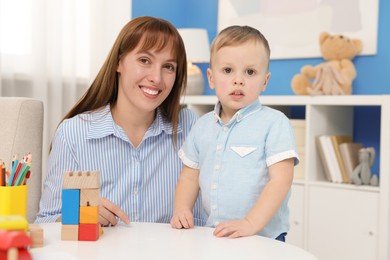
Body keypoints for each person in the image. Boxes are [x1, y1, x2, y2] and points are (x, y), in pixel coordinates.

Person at [35, 16, 205, 227]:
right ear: (118, 63)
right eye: (145, 60)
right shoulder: (73, 134)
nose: (157, 78)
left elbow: (203, 220)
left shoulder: (191, 128)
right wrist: (80, 216)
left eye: (168, 66)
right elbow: (46, 222)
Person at [170, 25, 299, 241]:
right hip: (216, 234)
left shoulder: (274, 123)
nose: (238, 80)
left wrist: (250, 223)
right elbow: (190, 176)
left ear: (265, 81)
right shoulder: (201, 126)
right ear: (211, 78)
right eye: (228, 70)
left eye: (250, 72)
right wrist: (181, 209)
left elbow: (281, 181)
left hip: (262, 237)